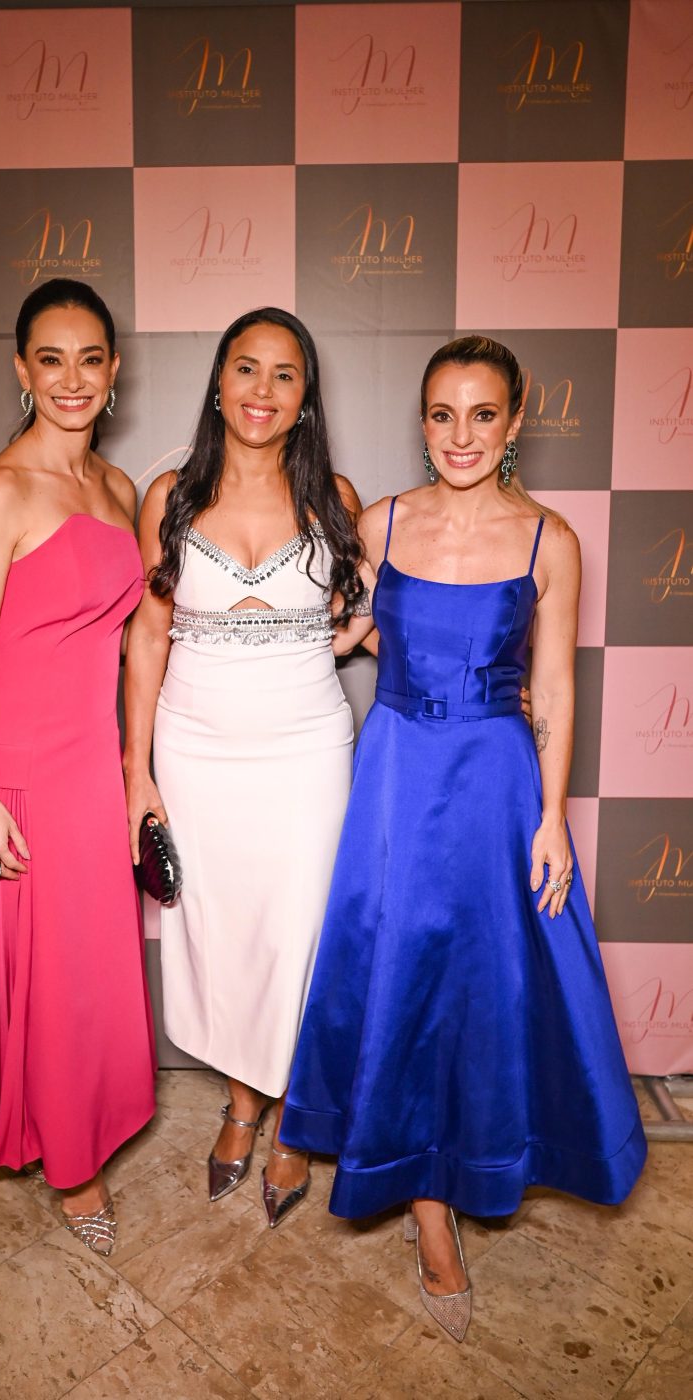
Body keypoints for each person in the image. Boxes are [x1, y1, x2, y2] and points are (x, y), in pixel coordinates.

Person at [281, 336, 646, 1339]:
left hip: (492, 780)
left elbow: (558, 686)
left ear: (514, 420)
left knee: (481, 986)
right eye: (440, 415)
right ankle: (424, 1208)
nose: (459, 435)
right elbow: (346, 625)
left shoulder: (547, 539)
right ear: (421, 421)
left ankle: (470, 1160)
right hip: (395, 770)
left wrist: (552, 816)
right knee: (395, 974)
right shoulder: (382, 517)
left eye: (480, 415)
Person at [0, 278, 155, 1257]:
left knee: (89, 966)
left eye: (89, 358)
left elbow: (138, 633)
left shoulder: (120, 489)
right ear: (21, 370)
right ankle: (70, 1163)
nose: (71, 379)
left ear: (112, 369)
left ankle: (91, 1115)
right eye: (49, 359)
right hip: (16, 771)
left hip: (92, 766)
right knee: (44, 975)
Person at [123, 307, 366, 1227]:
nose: (262, 391)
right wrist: (136, 771)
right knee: (223, 938)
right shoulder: (170, 496)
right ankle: (240, 1108)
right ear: (218, 384)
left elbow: (371, 614)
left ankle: (293, 1129)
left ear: (306, 399)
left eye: (284, 376)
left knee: (297, 941)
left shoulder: (335, 498)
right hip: (194, 751)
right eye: (246, 370)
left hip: (306, 750)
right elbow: (147, 638)